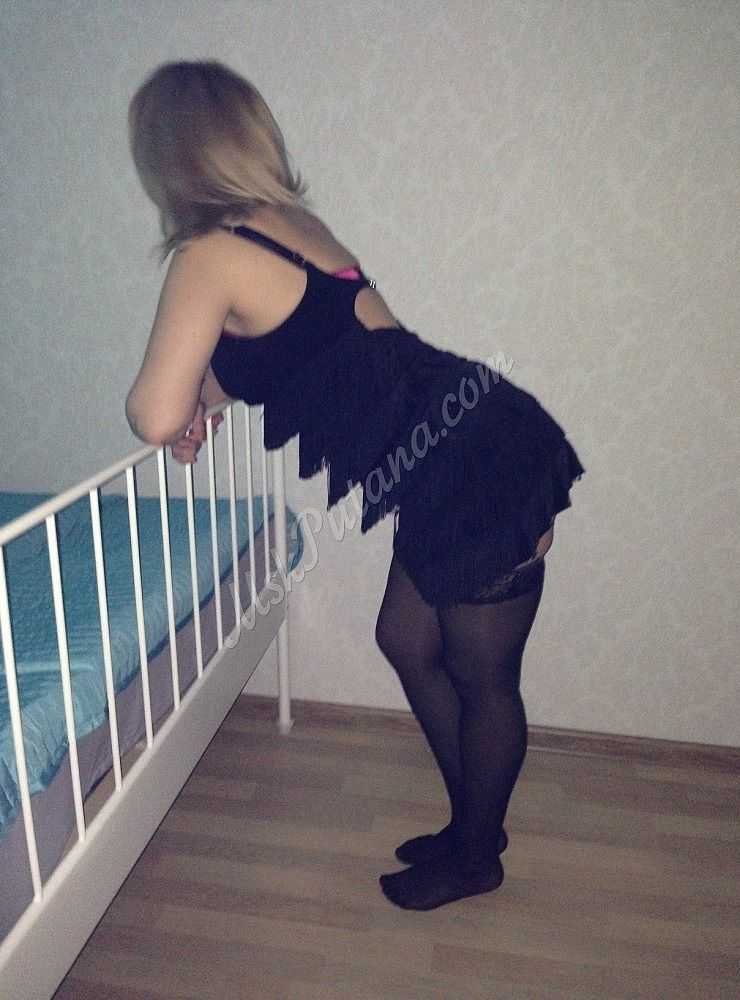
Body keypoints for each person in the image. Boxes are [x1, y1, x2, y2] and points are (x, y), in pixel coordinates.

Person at [125, 60, 585, 911]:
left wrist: (173, 407)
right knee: (407, 639)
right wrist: (205, 400)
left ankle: (476, 856)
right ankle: (473, 824)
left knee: (483, 675)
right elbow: (295, 351)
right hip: (469, 441)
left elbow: (152, 415)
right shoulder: (290, 226)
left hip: (472, 466)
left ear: (168, 157)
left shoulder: (209, 253)